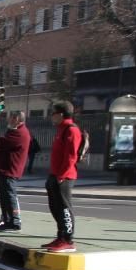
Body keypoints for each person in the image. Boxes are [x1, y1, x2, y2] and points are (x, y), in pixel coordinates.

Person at [44, 101, 81, 253]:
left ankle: (68, 240)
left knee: (65, 207)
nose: (51, 116)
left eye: (53, 113)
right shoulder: (61, 129)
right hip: (55, 174)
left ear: (60, 114)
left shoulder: (71, 130)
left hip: (64, 177)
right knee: (55, 207)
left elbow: (71, 156)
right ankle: (60, 236)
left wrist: (62, 175)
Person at [0, 112, 32, 231]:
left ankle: (14, 221)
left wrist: (0, 140)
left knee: (9, 195)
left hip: (11, 169)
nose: (9, 119)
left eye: (12, 117)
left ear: (17, 119)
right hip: (5, 168)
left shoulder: (21, 133)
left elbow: (3, 142)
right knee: (4, 195)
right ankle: (6, 219)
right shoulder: (14, 131)